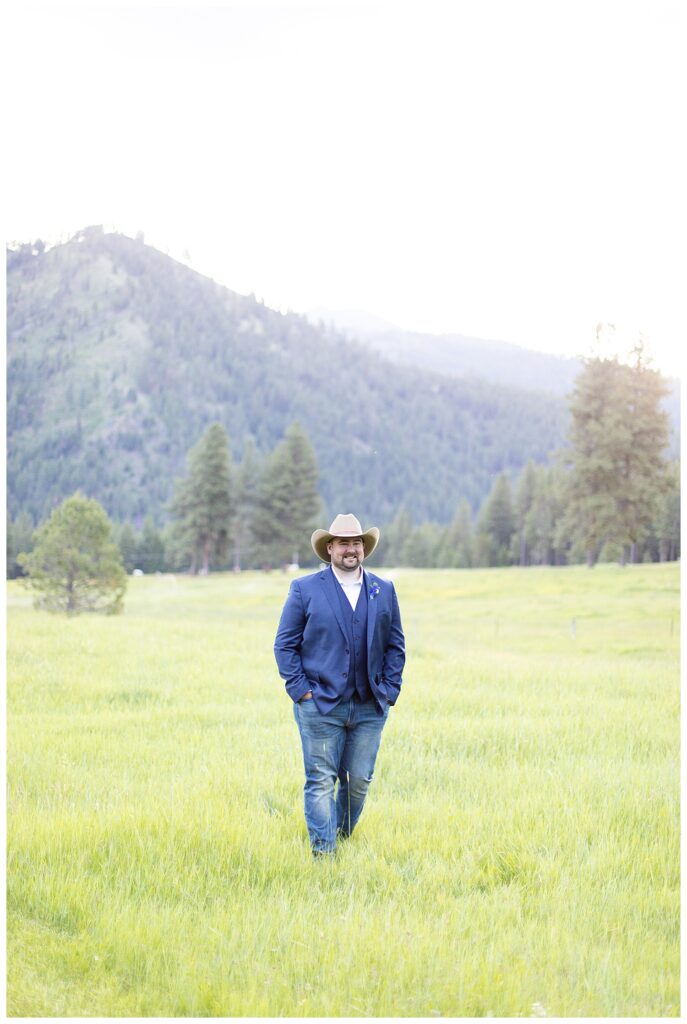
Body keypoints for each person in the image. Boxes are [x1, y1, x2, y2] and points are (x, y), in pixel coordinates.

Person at [274, 513, 406, 856]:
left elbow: (396, 646)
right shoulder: (305, 590)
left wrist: (390, 691)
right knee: (320, 781)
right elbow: (284, 645)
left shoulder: (384, 589)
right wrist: (302, 692)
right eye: (344, 543)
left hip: (369, 707)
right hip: (319, 705)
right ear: (329, 548)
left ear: (364, 548)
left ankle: (341, 836)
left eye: (357, 543)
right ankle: (324, 853)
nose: (351, 549)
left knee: (359, 782)